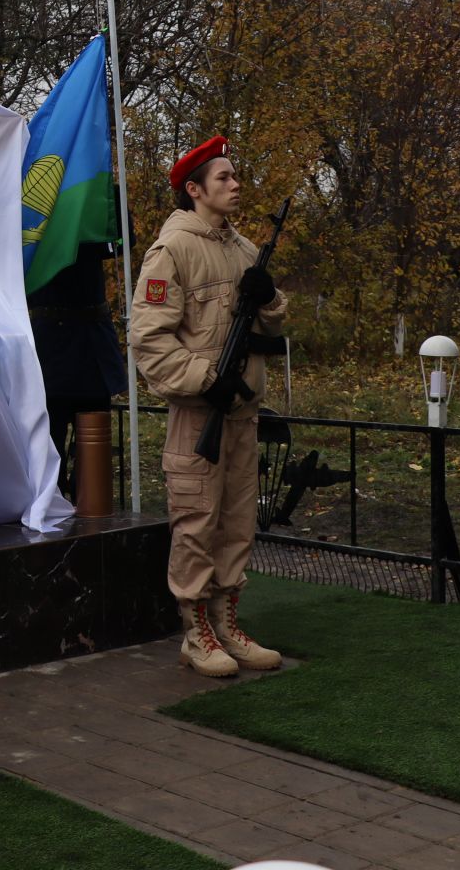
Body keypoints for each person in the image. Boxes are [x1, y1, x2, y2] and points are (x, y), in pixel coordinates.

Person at [129, 136, 289, 678]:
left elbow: (273, 326)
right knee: (196, 525)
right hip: (199, 416)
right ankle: (196, 635)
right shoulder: (171, 251)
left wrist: (267, 296)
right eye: (223, 177)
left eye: (235, 175)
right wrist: (207, 381)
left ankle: (227, 626)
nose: (235, 184)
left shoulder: (244, 250)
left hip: (241, 418)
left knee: (237, 525)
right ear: (193, 190)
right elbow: (149, 340)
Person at [27, 239, 128, 499]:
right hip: (50, 349)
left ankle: (91, 522)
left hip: (91, 345)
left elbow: (123, 240)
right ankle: (51, 517)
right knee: (49, 453)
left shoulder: (91, 204)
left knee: (93, 463)